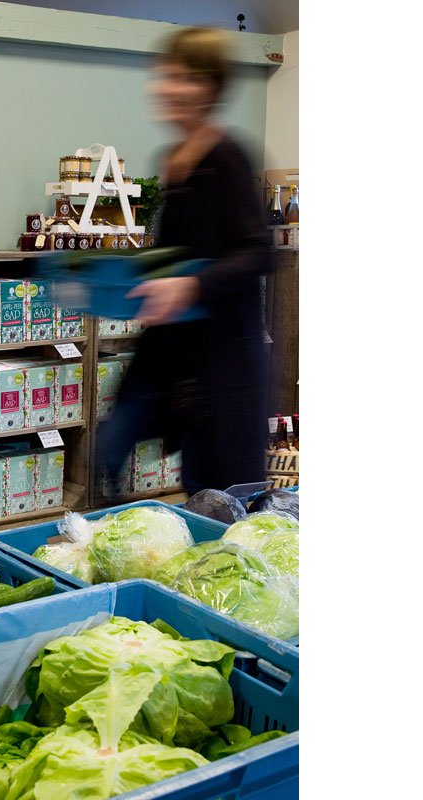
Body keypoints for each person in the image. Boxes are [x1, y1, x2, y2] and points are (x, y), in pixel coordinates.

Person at [101, 27, 273, 496]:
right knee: (193, 492)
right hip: (182, 363)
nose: (169, 88)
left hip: (228, 366)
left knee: (231, 502)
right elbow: (179, 258)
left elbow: (258, 252)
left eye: (186, 78)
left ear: (211, 89)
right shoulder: (174, 159)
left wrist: (188, 287)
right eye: (166, 76)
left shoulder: (226, 156)